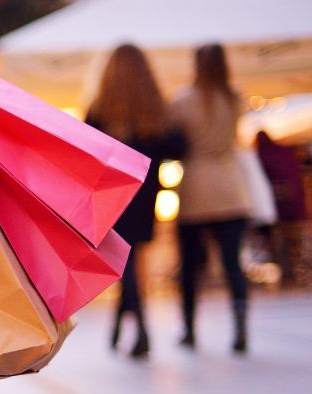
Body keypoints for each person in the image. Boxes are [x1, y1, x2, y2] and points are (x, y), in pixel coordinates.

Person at [85, 44, 186, 359]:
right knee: (131, 258)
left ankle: (139, 327)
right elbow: (176, 147)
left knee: (124, 260)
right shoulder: (155, 109)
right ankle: (124, 324)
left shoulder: (99, 108)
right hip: (145, 192)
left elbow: (87, 148)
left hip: (112, 193)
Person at [170, 43, 252, 353]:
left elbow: (175, 143)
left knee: (191, 266)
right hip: (231, 185)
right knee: (233, 263)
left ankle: (189, 328)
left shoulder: (182, 101)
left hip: (196, 186)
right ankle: (240, 324)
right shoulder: (234, 98)